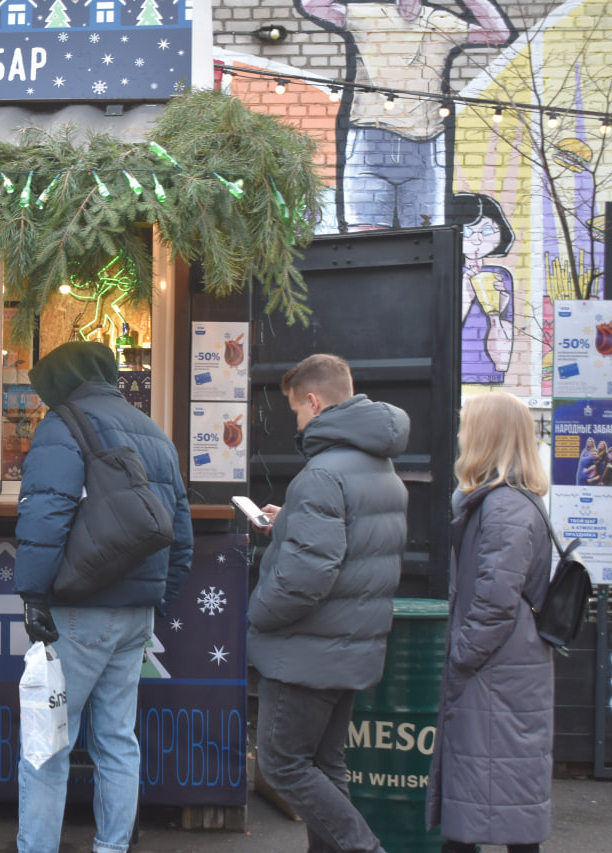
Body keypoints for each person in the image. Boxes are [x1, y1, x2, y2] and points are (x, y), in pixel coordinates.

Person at [12, 341, 194, 853]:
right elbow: (180, 536)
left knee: (48, 746)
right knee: (118, 741)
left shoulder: (61, 427)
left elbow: (45, 516)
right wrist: (157, 600)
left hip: (78, 612)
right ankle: (113, 847)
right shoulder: (156, 433)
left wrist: (32, 594)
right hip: (136, 613)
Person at [247, 353, 408, 853]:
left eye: (296, 410)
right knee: (324, 764)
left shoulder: (321, 475)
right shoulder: (378, 463)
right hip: (350, 644)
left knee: (282, 764)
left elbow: (306, 576)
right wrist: (291, 518)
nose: (297, 420)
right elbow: (350, 546)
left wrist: (257, 614)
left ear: (314, 402)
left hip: (306, 651)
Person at [425, 392, 553, 853]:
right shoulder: (510, 502)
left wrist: (460, 659)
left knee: (482, 812)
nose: (459, 434)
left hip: (493, 677)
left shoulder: (503, 508)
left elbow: (495, 604)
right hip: (507, 675)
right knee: (498, 806)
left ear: (486, 436)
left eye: (466, 426)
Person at [296, 0, 513, 229]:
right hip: (370, 137)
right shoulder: (367, 14)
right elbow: (312, 5)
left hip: (426, 144)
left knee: (428, 240)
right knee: (363, 236)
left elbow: (498, 34)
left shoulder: (440, 22)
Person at [450, 193, 516, 384]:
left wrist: (496, 314)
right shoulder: (445, 272)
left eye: (487, 231)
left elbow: (502, 362)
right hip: (450, 379)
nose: (477, 241)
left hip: (488, 376)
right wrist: (465, 299)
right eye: (468, 232)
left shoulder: (498, 277)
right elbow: (438, 339)